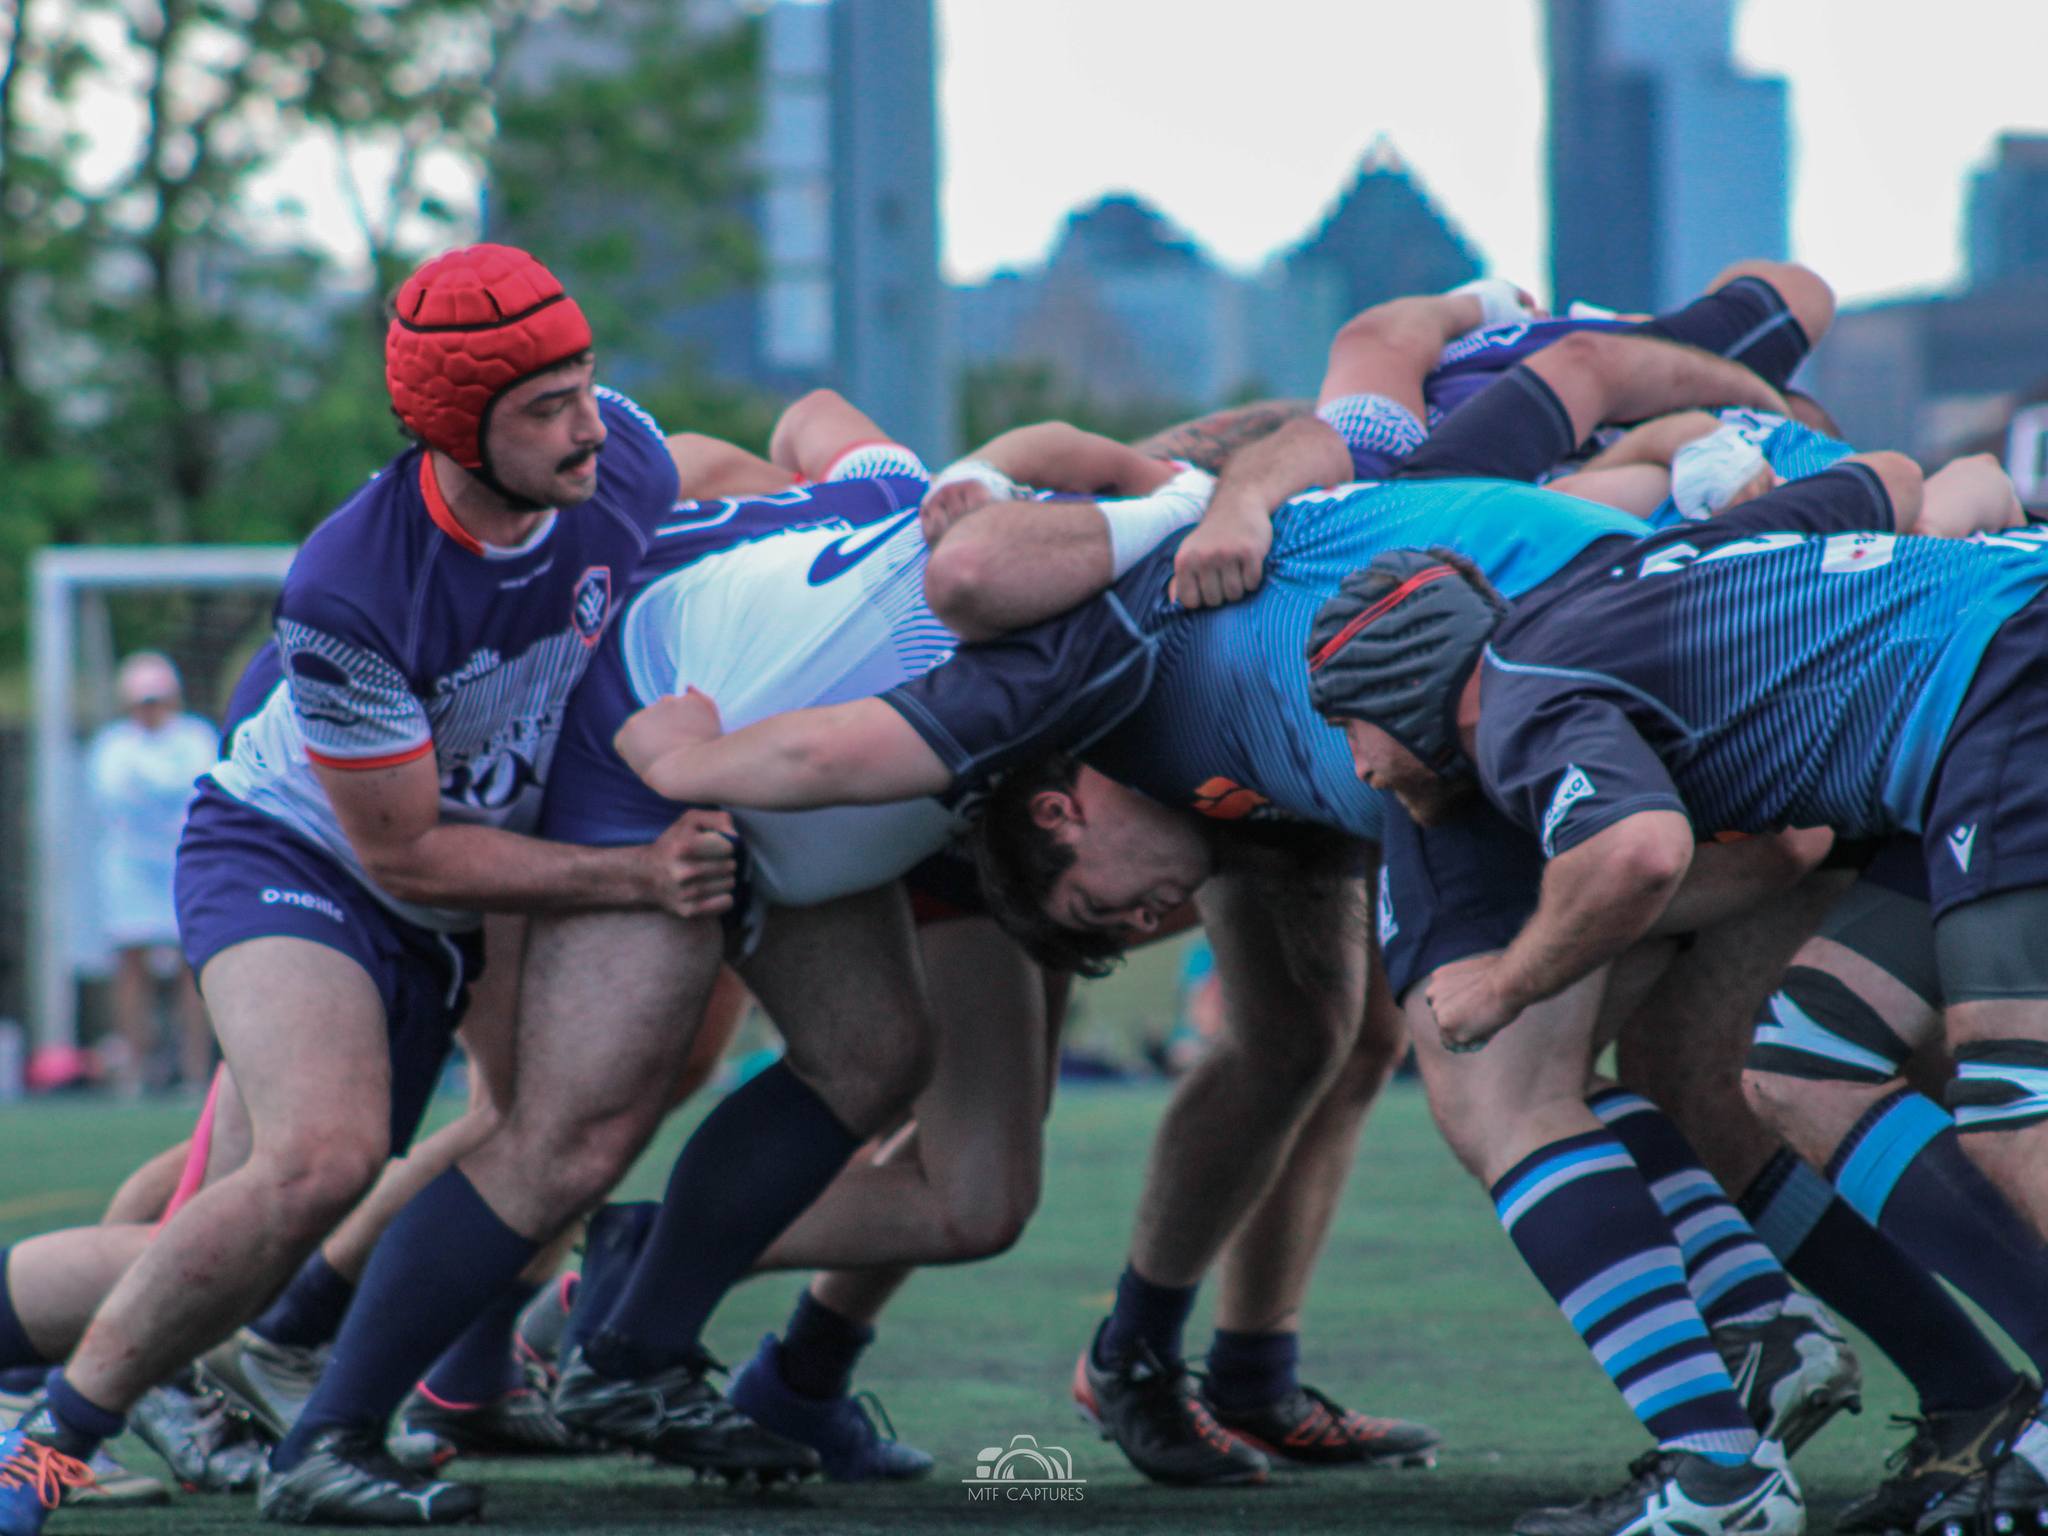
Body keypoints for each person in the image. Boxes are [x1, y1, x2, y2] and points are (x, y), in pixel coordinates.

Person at [612, 318, 1817, 1510]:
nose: (1155, 923)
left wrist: (1728, 443)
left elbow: (1665, 388)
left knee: (1345, 1043)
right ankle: (695, 1304)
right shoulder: (1370, 451)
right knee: (1043, 1152)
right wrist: (1043, 490)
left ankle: (1205, 1366)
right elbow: (1334, 383)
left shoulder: (1505, 487)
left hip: (1314, 736)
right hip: (1118, 760)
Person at [0, 242, 739, 1536]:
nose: (586, 427)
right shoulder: (354, 586)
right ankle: (52, 1447)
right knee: (317, 1162)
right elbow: (403, 856)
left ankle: (303, 1355)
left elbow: (718, 477)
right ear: (455, 430)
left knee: (333, 1191)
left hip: (462, 873)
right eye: (545, 408)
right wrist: (632, 872)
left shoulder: (617, 453)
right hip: (302, 857)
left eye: (586, 386)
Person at [1310, 446, 2048, 1532]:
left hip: (2006, 683)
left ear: (1399, 684)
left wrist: (1503, 987)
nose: (1358, 766)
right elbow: (1920, 476)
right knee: (1806, 1066)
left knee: (2012, 1101)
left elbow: (1635, 853)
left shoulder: (1512, 701)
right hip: (1972, 714)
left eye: (1349, 724)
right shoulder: (1628, 578)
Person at [87, 652, 218, 1096]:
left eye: (157, 700)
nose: (151, 709)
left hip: (185, 864)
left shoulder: (196, 738)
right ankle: (133, 1071)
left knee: (191, 967)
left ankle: (194, 1070)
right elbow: (111, 802)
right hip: (131, 869)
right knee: (131, 966)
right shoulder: (113, 746)